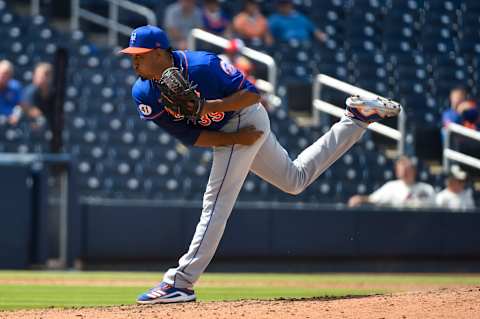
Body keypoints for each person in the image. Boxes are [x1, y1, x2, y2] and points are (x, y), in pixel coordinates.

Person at [120, 25, 401, 304]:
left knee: (216, 202)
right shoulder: (143, 93)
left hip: (244, 116)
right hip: (231, 132)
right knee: (295, 180)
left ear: (159, 53)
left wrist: (210, 108)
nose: (134, 60)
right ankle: (356, 119)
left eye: (139, 54)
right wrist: (237, 139)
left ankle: (180, 283)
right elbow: (191, 136)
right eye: (132, 54)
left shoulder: (203, 65)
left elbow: (252, 94)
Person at [348, 156, 436, 209]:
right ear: (397, 172)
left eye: (407, 170)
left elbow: (436, 209)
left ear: (414, 170)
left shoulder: (426, 188)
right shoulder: (391, 187)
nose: (405, 173)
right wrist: (360, 198)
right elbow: (373, 199)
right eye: (402, 170)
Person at [22, 62, 55, 130]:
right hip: (30, 124)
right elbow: (27, 108)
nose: (36, 78)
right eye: (36, 75)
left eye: (41, 76)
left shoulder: (55, 92)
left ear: (49, 77)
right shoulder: (30, 91)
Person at [0, 59, 23, 126]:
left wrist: (16, 115)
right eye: (2, 73)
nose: (4, 77)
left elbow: (20, 105)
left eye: (7, 74)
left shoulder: (15, 86)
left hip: (11, 121)